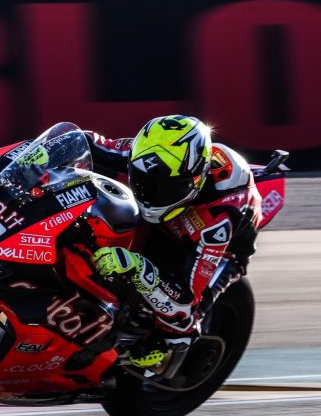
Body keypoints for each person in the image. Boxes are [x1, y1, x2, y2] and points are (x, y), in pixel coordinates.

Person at [82, 115, 262, 370]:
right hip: (170, 218)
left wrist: (139, 268)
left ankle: (169, 347)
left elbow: (185, 299)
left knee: (181, 321)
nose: (151, 194)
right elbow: (89, 142)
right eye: (144, 181)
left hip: (222, 249)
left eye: (165, 187)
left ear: (195, 179)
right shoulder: (148, 153)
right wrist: (39, 151)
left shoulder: (218, 221)